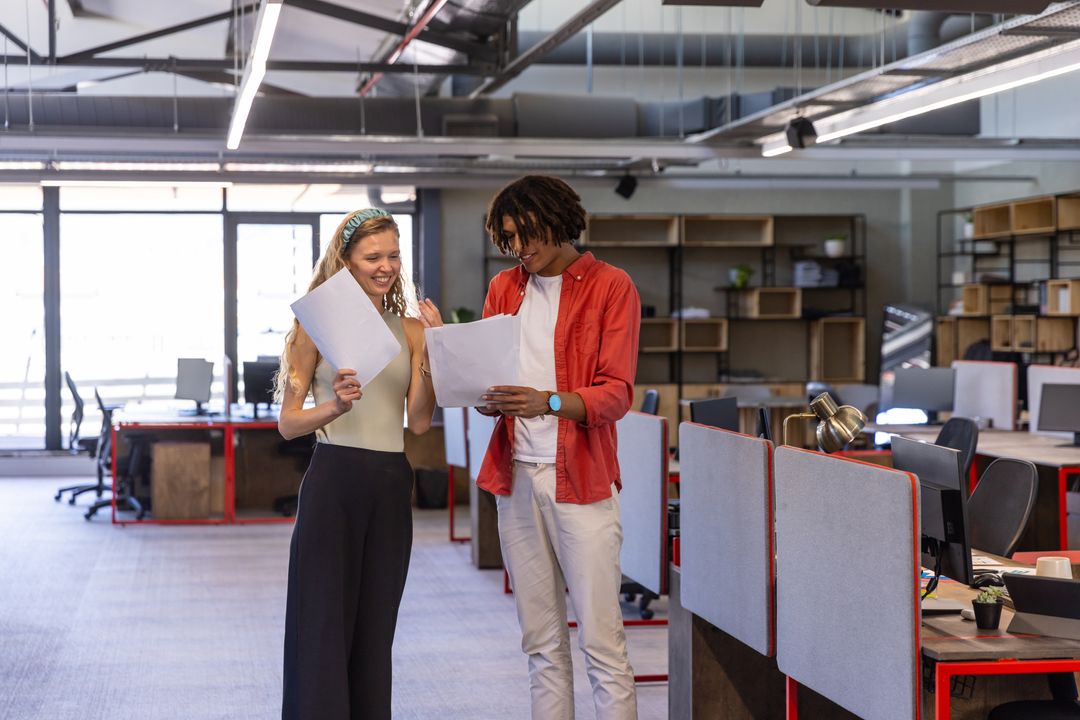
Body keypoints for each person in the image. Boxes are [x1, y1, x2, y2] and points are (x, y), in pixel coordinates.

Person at [476, 175, 642, 720]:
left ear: (559, 221)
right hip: (515, 477)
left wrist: (544, 403)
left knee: (601, 642)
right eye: (508, 238)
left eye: (528, 235)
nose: (520, 248)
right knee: (540, 642)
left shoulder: (611, 285)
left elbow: (615, 395)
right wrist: (485, 396)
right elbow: (489, 370)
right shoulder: (504, 288)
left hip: (582, 481)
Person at [275, 208, 443, 720]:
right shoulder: (313, 329)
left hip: (391, 482)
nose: (385, 266)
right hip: (334, 480)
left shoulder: (411, 331)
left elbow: (417, 422)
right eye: (373, 256)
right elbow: (287, 423)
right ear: (345, 261)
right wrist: (336, 405)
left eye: (393, 255)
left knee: (376, 627)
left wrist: (436, 351)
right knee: (323, 623)